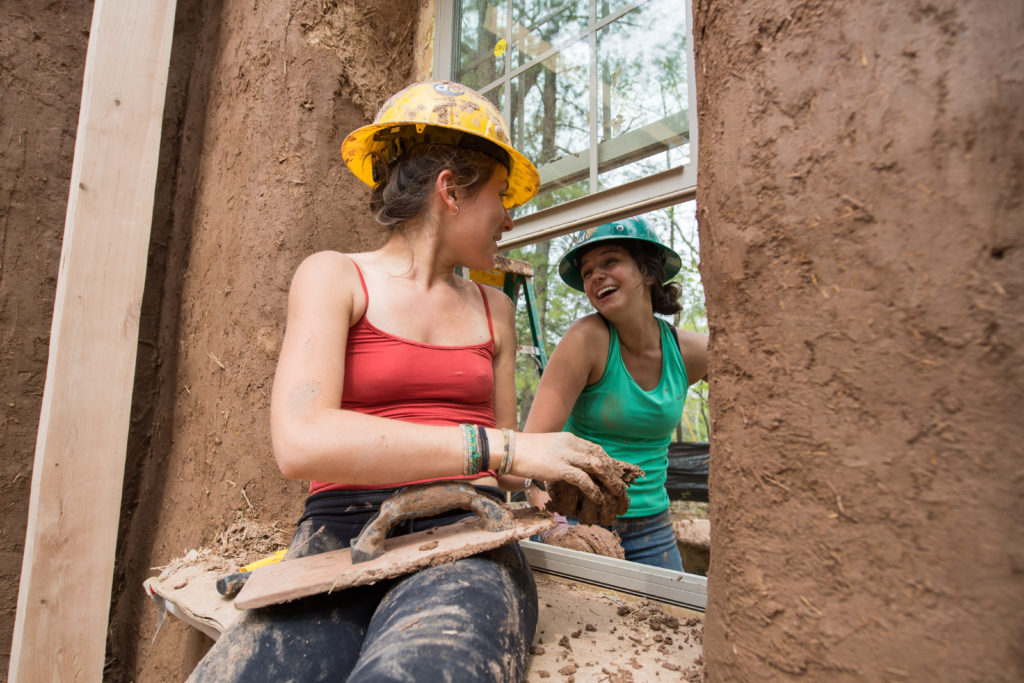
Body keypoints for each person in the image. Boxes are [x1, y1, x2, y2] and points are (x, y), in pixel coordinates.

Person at [187, 81, 624, 683]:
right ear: (451, 190)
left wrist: (562, 477)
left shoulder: (494, 307)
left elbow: (504, 465)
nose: (509, 215)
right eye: (500, 195)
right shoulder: (333, 277)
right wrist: (504, 446)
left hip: (470, 532)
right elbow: (301, 442)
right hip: (339, 529)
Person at [524, 217, 709, 571]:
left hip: (653, 528)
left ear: (648, 271)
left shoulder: (690, 352)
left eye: (610, 261)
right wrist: (555, 531)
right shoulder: (585, 340)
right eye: (588, 270)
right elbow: (530, 452)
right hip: (578, 523)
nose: (596, 276)